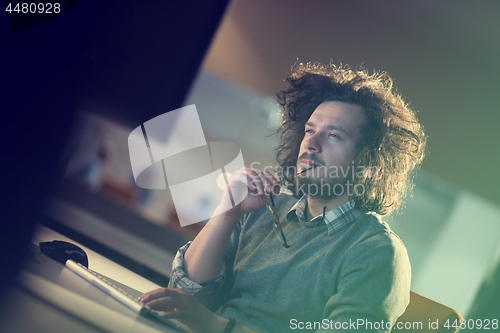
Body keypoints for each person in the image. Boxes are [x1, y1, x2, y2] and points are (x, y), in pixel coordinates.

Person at [139, 62, 426, 333]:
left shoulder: (378, 253)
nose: (310, 144)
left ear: (368, 161)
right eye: (309, 130)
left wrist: (217, 327)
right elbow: (187, 298)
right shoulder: (261, 210)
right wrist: (227, 213)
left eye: (334, 136)